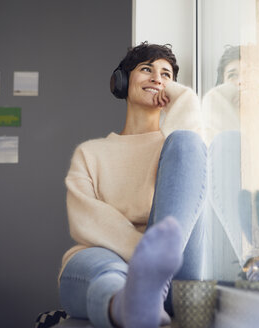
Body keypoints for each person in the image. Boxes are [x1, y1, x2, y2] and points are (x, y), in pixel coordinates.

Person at [58, 42, 207, 328]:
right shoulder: (90, 153)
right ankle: (129, 305)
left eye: (166, 75)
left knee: (188, 142)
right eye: (147, 70)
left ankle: (150, 286)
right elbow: (88, 222)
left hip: (173, 272)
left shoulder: (176, 146)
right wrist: (145, 259)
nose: (157, 79)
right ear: (122, 82)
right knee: (101, 269)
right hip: (107, 261)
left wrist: (184, 98)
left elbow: (194, 154)